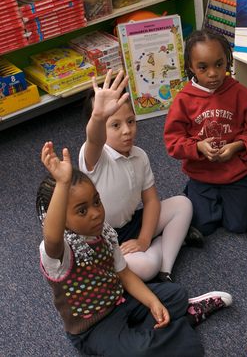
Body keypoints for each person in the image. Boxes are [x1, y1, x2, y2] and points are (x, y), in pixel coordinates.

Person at [38, 142, 232, 356]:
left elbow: (124, 274)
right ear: (59, 219)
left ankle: (150, 335)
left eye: (96, 202)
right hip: (94, 328)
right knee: (140, 350)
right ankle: (180, 325)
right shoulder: (60, 252)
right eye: (82, 211)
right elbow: (52, 238)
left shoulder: (105, 233)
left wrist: (153, 302)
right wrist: (63, 183)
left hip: (120, 301)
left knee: (176, 295)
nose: (95, 213)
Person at [78, 69, 203, 283]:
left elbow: (151, 200)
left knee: (183, 204)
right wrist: (98, 116)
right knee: (146, 267)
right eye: (115, 125)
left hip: (131, 224)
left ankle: (166, 269)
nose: (127, 130)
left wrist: (144, 240)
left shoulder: (140, 155)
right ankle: (167, 243)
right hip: (104, 238)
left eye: (131, 121)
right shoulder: (95, 157)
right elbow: (94, 139)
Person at [164, 29, 247, 236]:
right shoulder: (183, 100)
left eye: (219, 64)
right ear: (191, 67)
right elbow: (173, 143)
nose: (213, 73)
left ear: (227, 61)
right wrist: (198, 147)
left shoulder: (243, 95)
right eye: (203, 67)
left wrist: (236, 146)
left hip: (237, 172)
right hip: (202, 173)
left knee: (238, 226)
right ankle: (199, 194)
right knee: (202, 227)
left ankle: (246, 187)